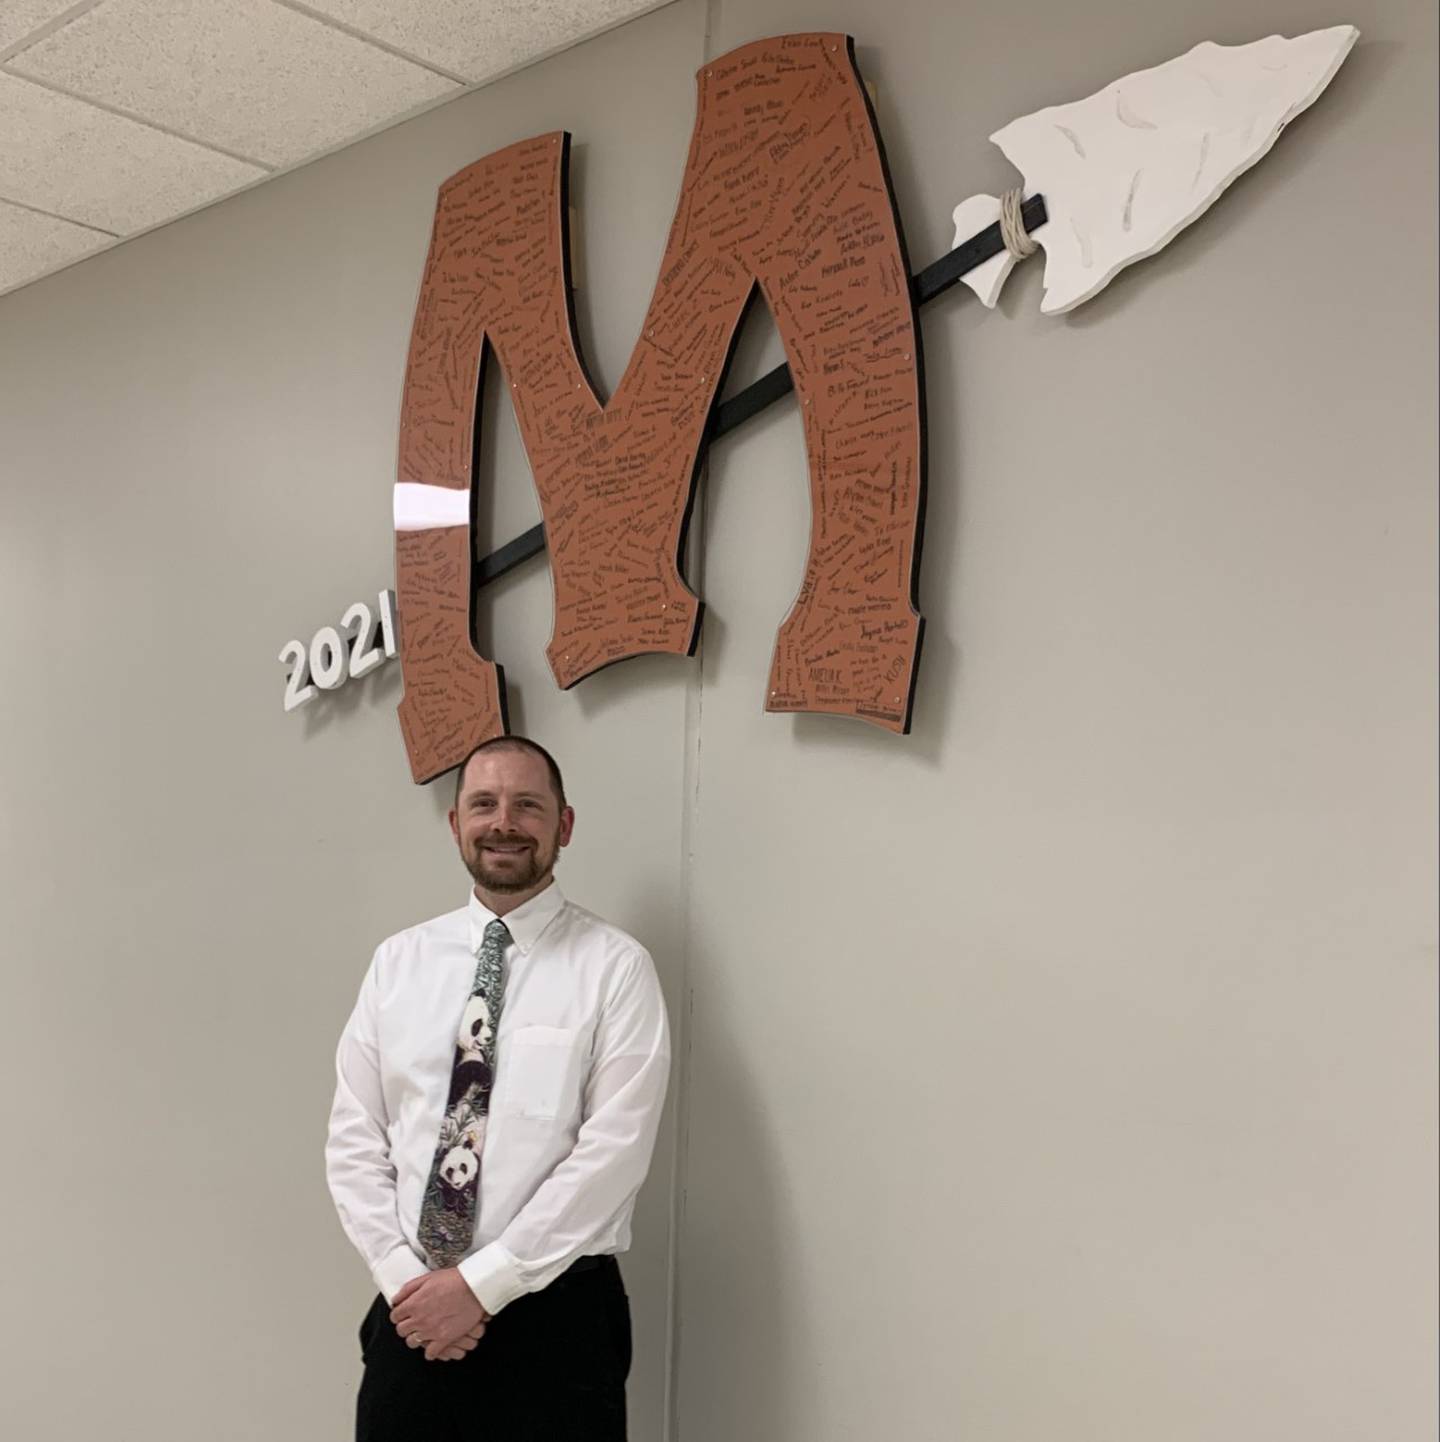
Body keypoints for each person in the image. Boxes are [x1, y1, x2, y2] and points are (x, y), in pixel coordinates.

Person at [326, 735, 672, 1441]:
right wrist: (405, 1283)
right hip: (414, 1307)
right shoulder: (399, 963)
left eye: (527, 805)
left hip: (559, 1318)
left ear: (563, 825)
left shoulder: (616, 969)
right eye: (483, 804)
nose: (504, 822)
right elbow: (354, 1139)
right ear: (456, 824)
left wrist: (482, 1287)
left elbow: (613, 1155)